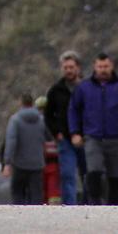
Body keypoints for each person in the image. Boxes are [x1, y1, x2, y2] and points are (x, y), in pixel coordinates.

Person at [68, 53, 118, 205]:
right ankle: (94, 203)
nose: (103, 70)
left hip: (117, 137)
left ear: (112, 67)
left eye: (106, 66)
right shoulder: (84, 88)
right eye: (100, 67)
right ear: (94, 67)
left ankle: (116, 206)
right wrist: (75, 132)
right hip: (93, 137)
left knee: (117, 175)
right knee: (93, 170)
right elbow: (73, 110)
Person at [44, 50, 87, 205]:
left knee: (88, 174)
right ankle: (70, 207)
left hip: (86, 138)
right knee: (67, 174)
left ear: (78, 68)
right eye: (65, 67)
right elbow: (48, 116)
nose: (68, 70)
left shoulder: (88, 88)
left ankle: (91, 206)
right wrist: (56, 133)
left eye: (71, 67)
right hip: (65, 140)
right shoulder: (55, 90)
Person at [2, 93, 47, 205]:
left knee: (18, 193)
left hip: (19, 164)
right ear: (32, 104)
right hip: (37, 164)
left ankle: (20, 218)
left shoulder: (15, 120)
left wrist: (7, 162)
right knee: (36, 194)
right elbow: (48, 137)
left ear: (20, 103)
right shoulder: (41, 120)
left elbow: (11, 141)